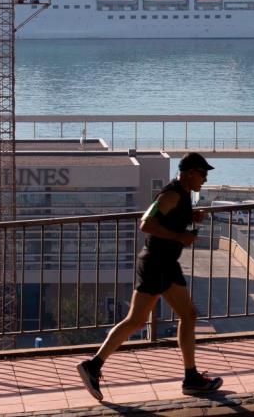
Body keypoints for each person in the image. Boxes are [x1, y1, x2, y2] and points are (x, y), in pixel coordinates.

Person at [77, 152, 223, 400]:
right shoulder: (171, 194)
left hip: (165, 263)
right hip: (156, 263)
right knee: (147, 320)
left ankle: (190, 377)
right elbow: (146, 223)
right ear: (189, 173)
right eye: (202, 173)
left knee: (173, 316)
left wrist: (189, 218)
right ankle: (94, 365)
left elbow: (169, 219)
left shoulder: (183, 195)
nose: (205, 179)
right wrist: (180, 237)